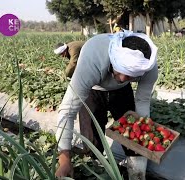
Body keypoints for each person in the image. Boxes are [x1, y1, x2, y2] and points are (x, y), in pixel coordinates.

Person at [55, 30, 158, 180]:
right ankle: (94, 170)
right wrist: (64, 159)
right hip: (93, 90)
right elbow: (67, 111)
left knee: (132, 133)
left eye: (130, 76)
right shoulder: (93, 56)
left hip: (122, 92)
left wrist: (141, 132)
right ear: (113, 58)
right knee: (91, 138)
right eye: (121, 71)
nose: (123, 78)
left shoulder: (148, 66)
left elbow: (142, 101)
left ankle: (136, 174)